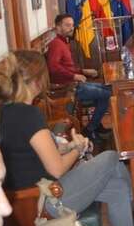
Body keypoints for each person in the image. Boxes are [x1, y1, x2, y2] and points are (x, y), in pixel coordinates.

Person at [0, 50, 134, 226]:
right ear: (39, 80)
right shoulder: (27, 114)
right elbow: (57, 169)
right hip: (47, 200)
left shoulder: (7, 112)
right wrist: (78, 149)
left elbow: (37, 155)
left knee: (118, 189)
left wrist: (70, 146)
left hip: (33, 197)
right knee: (111, 157)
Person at [46, 14, 112, 142]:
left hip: (74, 83)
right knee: (106, 94)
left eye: (72, 25)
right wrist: (74, 75)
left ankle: (96, 125)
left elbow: (66, 67)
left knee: (106, 88)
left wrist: (82, 71)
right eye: (67, 25)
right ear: (58, 27)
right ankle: (90, 129)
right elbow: (53, 67)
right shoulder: (56, 44)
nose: (71, 28)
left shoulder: (64, 43)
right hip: (69, 89)